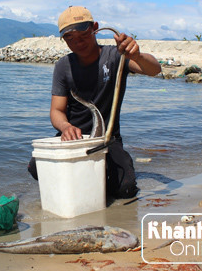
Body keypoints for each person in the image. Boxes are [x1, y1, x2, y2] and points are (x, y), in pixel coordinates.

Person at [28, 6, 161, 199]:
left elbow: (154, 69)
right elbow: (56, 111)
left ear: (95, 28)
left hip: (107, 139)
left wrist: (137, 55)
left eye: (82, 35)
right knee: (35, 168)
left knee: (126, 189)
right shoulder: (63, 66)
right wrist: (65, 127)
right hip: (72, 138)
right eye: (70, 38)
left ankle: (103, 176)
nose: (77, 43)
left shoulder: (116, 56)